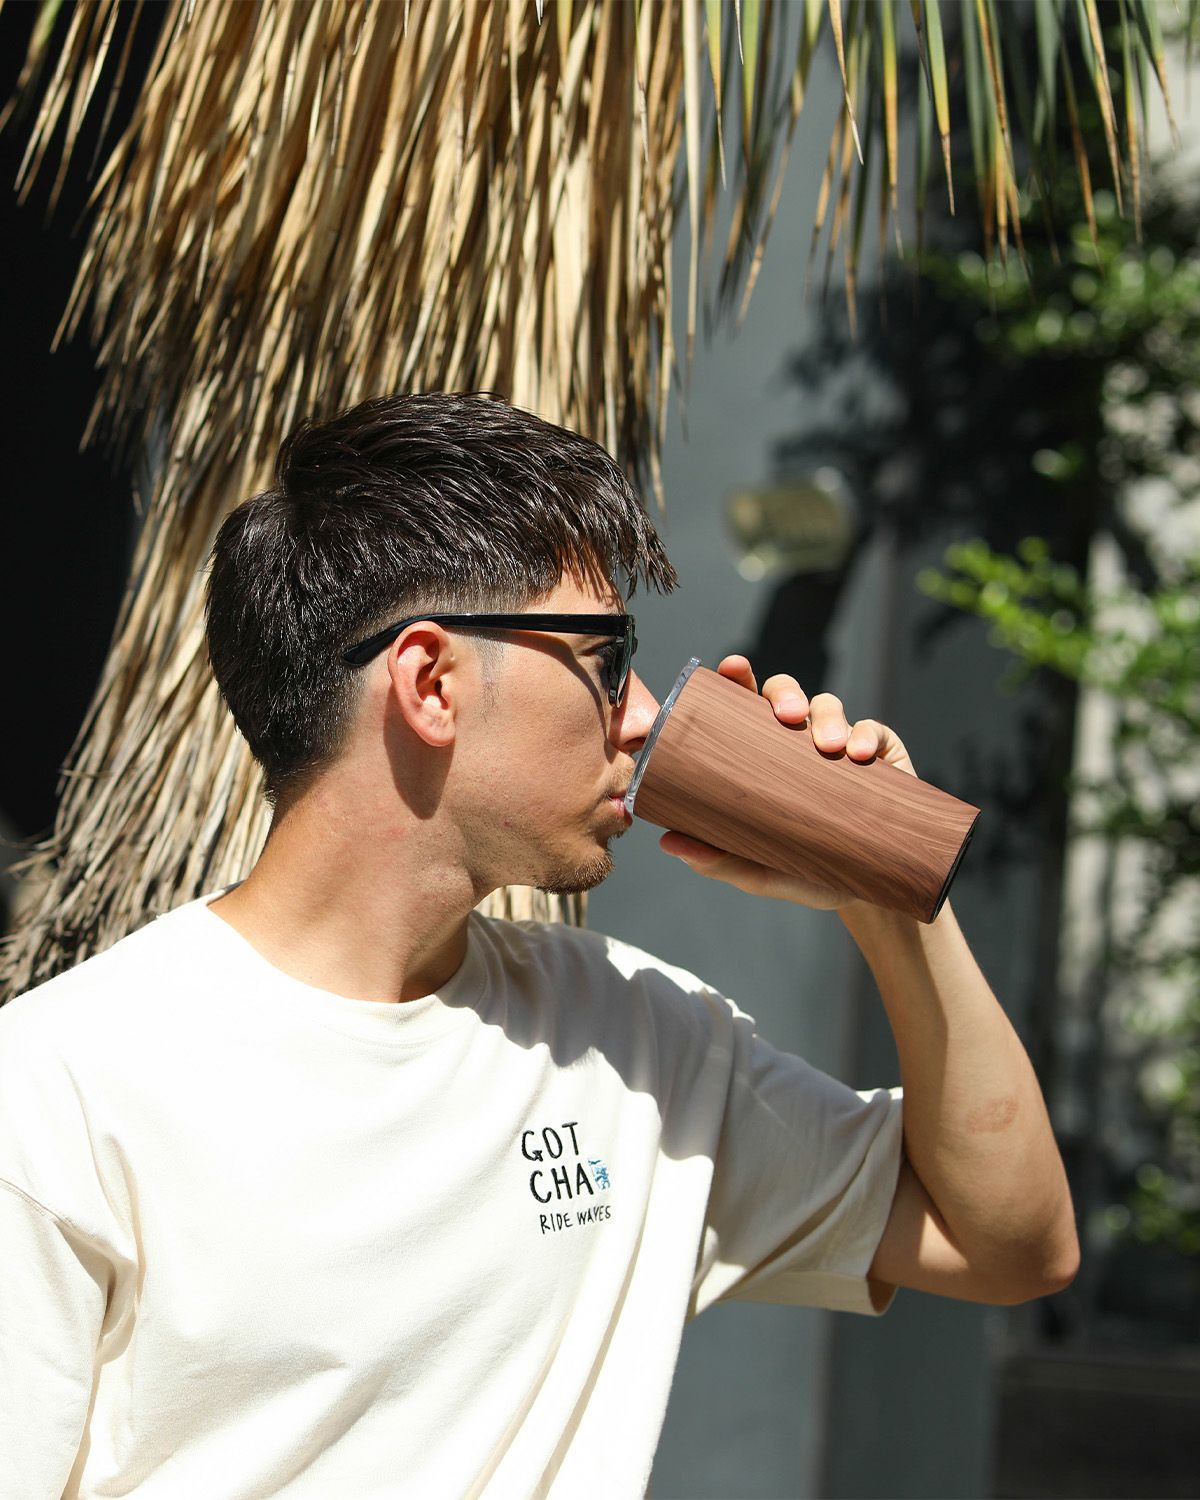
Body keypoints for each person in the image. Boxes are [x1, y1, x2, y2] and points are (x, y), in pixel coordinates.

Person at [0, 392, 1078, 1500]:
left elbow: (1006, 1244)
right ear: (431, 683)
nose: (644, 712)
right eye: (608, 657)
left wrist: (887, 899)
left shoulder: (638, 1039)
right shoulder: (60, 1092)